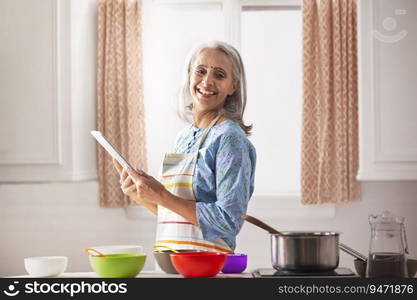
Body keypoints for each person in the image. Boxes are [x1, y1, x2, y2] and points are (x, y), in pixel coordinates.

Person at [113, 41, 256, 253]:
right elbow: (174, 213)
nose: (207, 81)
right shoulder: (184, 136)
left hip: (209, 267)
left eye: (219, 75)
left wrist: (162, 195)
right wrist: (141, 195)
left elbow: (229, 221)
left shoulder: (230, 138)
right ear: (189, 75)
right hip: (172, 261)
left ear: (233, 86)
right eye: (200, 71)